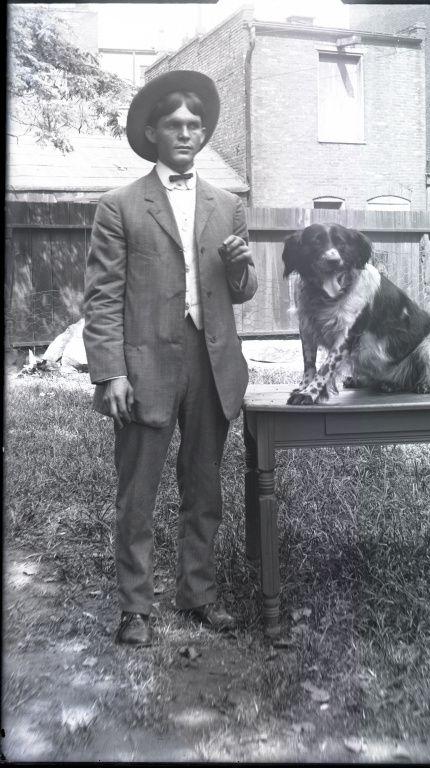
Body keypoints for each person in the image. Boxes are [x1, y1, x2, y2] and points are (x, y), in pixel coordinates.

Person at [83, 70, 258, 647]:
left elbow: (243, 289)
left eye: (195, 126)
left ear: (203, 135)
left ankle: (198, 594)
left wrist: (239, 265)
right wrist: (109, 371)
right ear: (153, 132)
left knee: (204, 489)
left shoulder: (228, 205)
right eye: (175, 125)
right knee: (138, 494)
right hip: (145, 366)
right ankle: (136, 607)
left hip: (213, 365)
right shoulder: (119, 206)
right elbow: (103, 296)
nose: (186, 133)